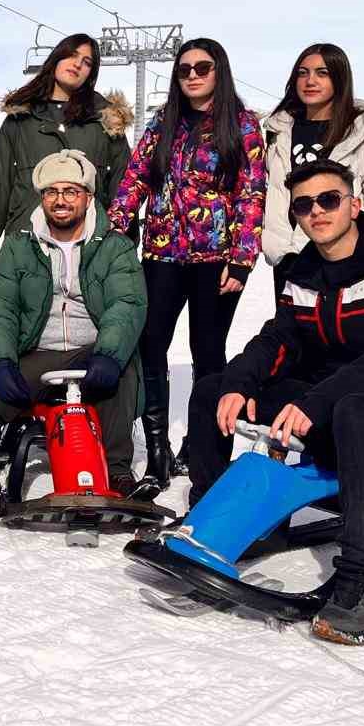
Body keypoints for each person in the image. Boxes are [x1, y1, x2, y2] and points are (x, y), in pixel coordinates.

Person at [183, 160, 364, 644]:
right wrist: (238, 382)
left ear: (354, 205)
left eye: (328, 199)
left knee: (358, 409)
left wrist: (317, 402)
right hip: (334, 409)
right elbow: (278, 341)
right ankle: (214, 525)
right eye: (304, 205)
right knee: (213, 389)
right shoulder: (303, 271)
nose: (317, 212)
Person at [108, 37, 265, 495]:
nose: (193, 75)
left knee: (208, 353)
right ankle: (157, 452)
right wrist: (117, 224)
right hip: (161, 254)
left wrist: (240, 260)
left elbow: (251, 193)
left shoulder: (243, 126)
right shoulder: (165, 123)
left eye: (203, 67)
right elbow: (137, 175)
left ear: (220, 71)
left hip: (215, 260)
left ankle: (202, 448)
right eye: (185, 69)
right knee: (151, 345)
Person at [0, 151, 148, 490]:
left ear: (87, 197)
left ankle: (117, 467)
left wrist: (108, 354)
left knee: (123, 367)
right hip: (37, 350)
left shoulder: (115, 245)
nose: (60, 200)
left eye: (70, 191)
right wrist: (1, 362)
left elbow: (126, 303)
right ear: (42, 198)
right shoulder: (19, 245)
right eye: (51, 192)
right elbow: (0, 306)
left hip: (91, 350)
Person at [261, 42, 364, 306]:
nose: (310, 81)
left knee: (347, 337)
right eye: (302, 73)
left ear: (340, 78)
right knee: (294, 340)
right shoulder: (277, 132)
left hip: (347, 258)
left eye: (322, 73)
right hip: (291, 258)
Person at [0, 32, 133, 263]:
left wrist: (125, 243)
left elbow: (123, 187)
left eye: (87, 63)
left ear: (91, 75)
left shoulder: (105, 122)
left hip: (88, 248)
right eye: (72, 55)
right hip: (26, 242)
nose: (77, 64)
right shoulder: (21, 119)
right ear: (56, 58)